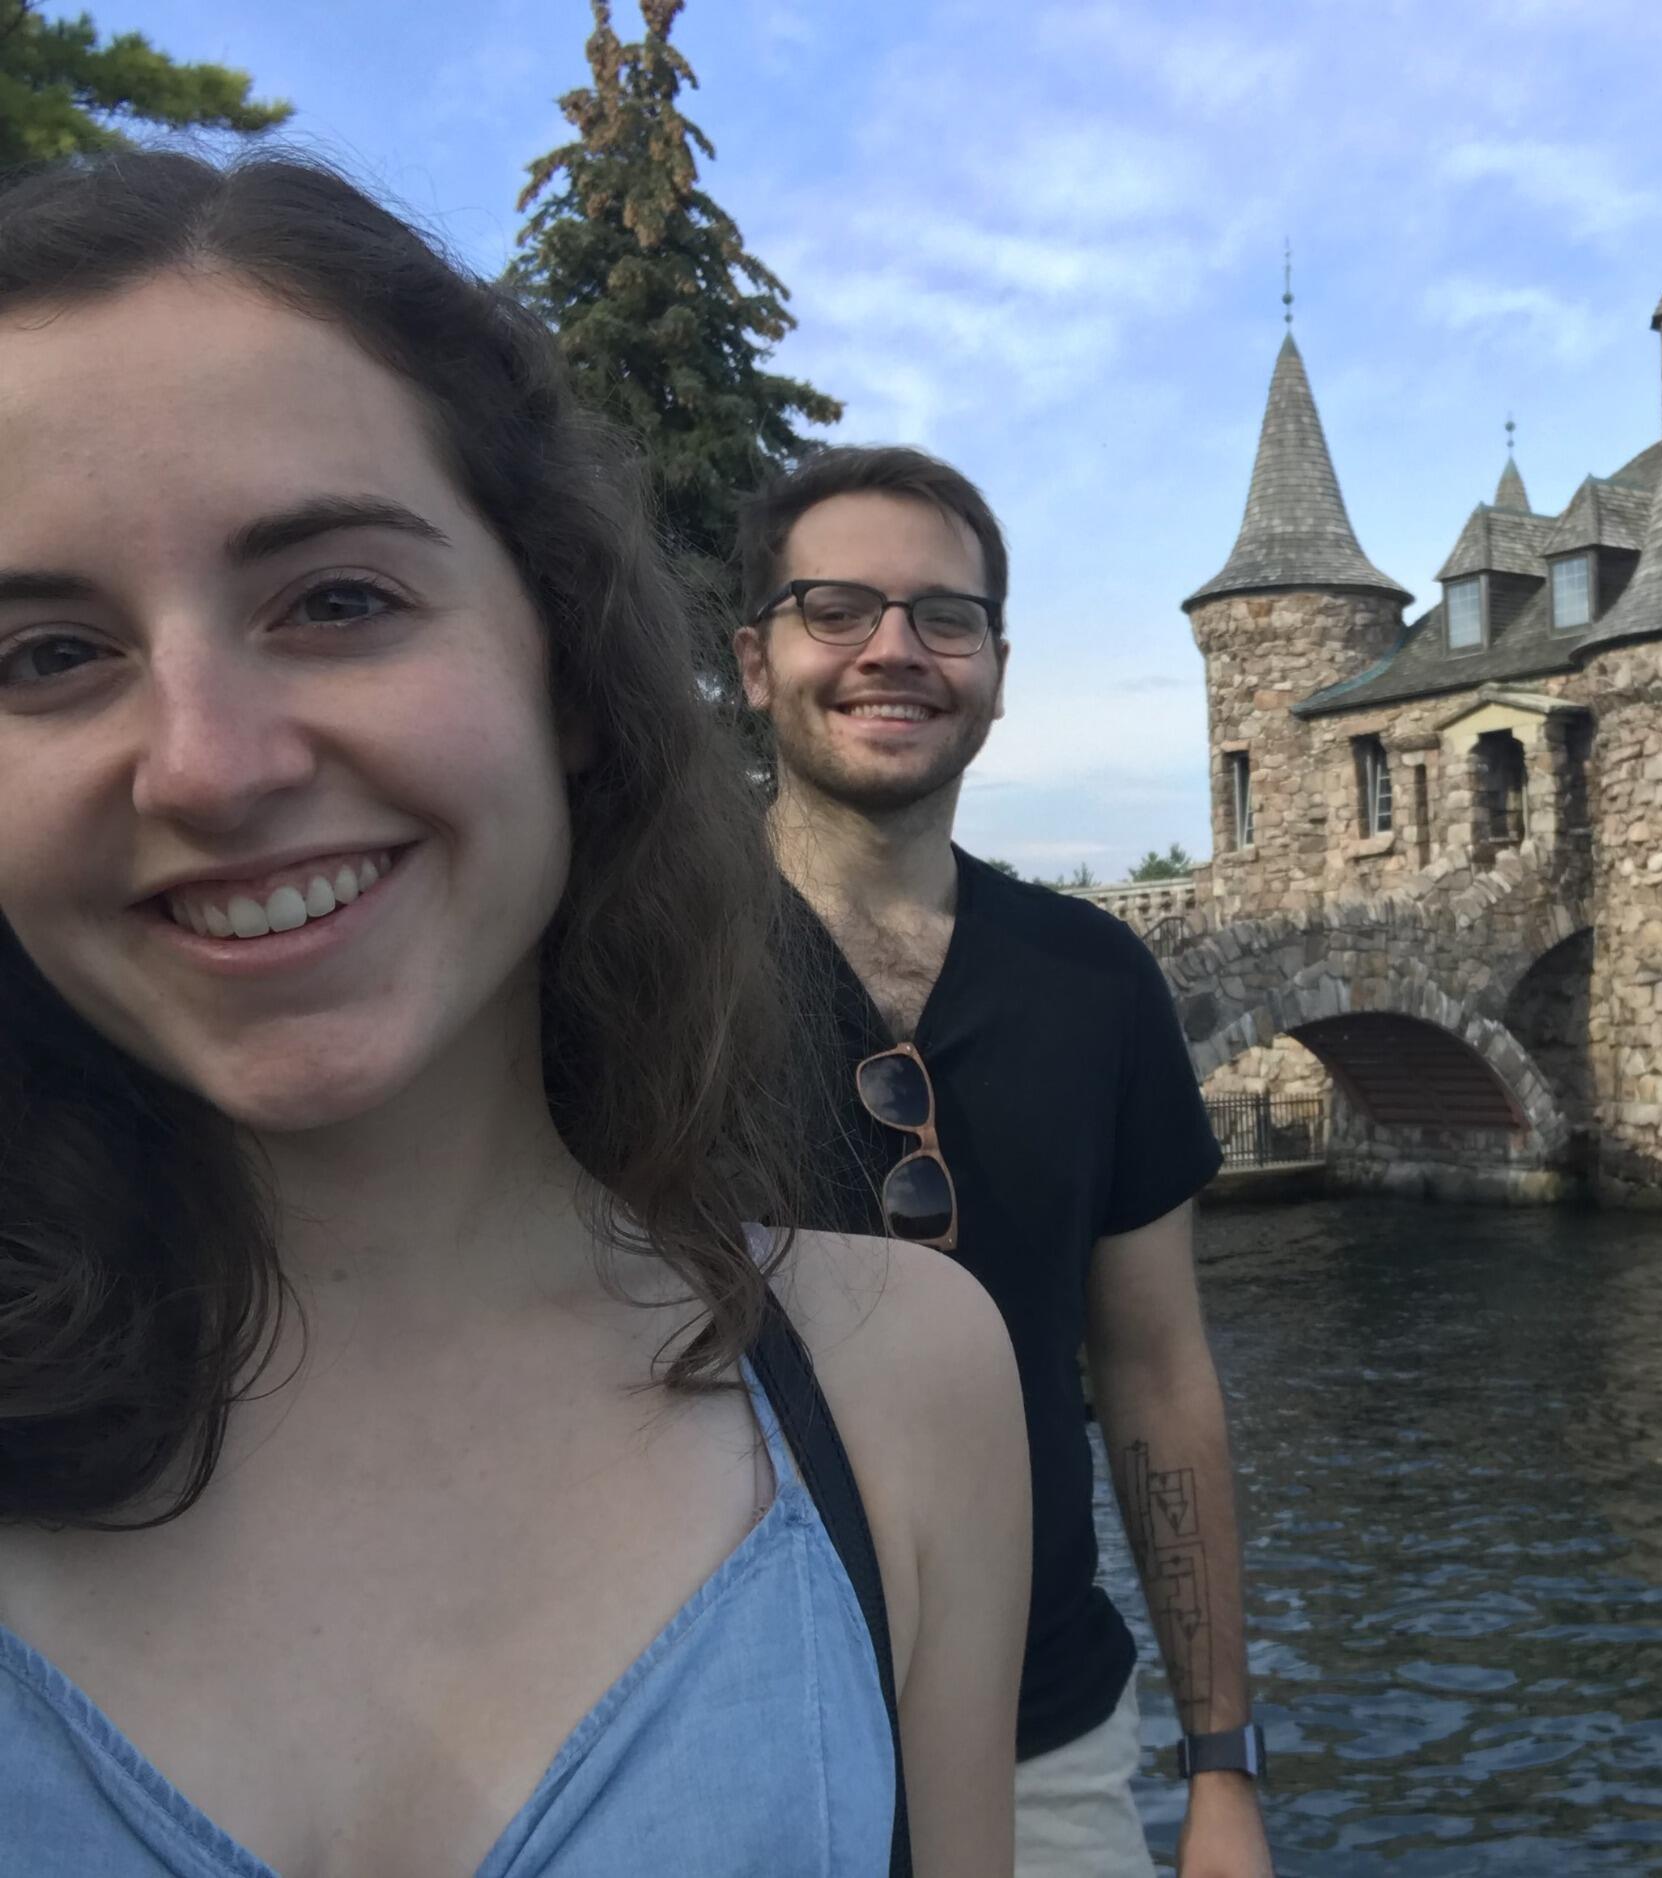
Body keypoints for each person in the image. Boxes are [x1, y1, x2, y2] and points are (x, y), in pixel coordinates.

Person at [0, 152, 1029, 1876]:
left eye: (336, 600)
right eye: (44, 654)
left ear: (560, 663)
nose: (206, 764)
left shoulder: (900, 1381)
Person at [734, 447, 1274, 1878]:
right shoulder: (626, 967)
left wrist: (1221, 1770)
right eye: (837, 607)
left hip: (1045, 1744)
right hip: (717, 1733)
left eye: (943, 617)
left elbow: (1158, 1378)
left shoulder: (1094, 981)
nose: (894, 650)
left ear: (995, 668)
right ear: (754, 659)